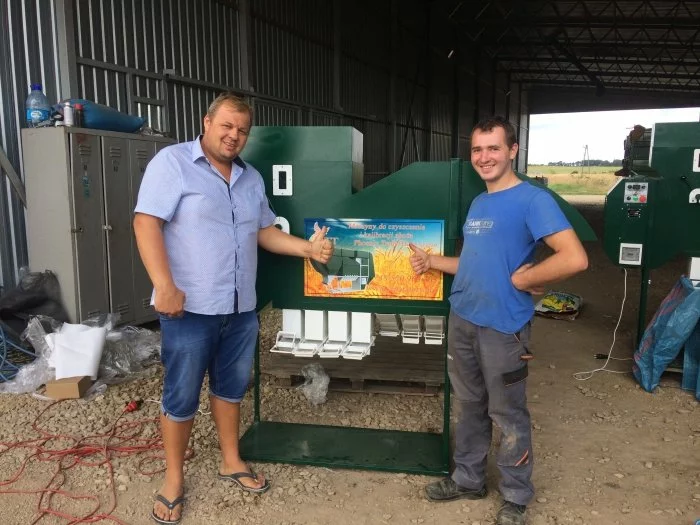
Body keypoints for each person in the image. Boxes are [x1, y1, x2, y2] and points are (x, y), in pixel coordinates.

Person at [133, 92, 333, 524]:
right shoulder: (172, 163)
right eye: (226, 126)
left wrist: (308, 250)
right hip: (190, 308)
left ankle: (231, 460)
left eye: (242, 130)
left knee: (231, 387)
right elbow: (145, 222)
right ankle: (173, 479)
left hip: (240, 307)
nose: (233, 136)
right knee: (181, 393)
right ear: (206, 123)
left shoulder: (250, 178)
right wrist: (164, 285)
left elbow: (264, 231)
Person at [409, 117, 588, 525]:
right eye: (477, 149)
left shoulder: (533, 200)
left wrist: (527, 278)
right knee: (470, 404)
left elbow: (574, 257)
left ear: (512, 151)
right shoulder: (480, 203)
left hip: (504, 326)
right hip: (464, 317)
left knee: (508, 413)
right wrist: (433, 261)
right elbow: (476, 262)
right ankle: (468, 479)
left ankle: (516, 496)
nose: (484, 157)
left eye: (493, 148)